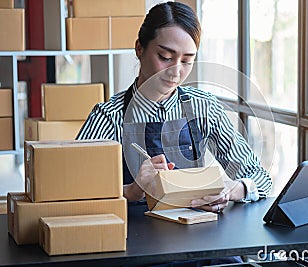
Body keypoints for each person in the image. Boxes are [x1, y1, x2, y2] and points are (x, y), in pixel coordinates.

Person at [76, 2, 272, 264]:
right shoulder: (109, 116)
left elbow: (260, 178)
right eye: (166, 57)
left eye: (187, 61)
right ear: (139, 49)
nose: (176, 72)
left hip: (199, 243)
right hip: (131, 248)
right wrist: (132, 191)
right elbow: (73, 196)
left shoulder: (204, 107)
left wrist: (232, 190)